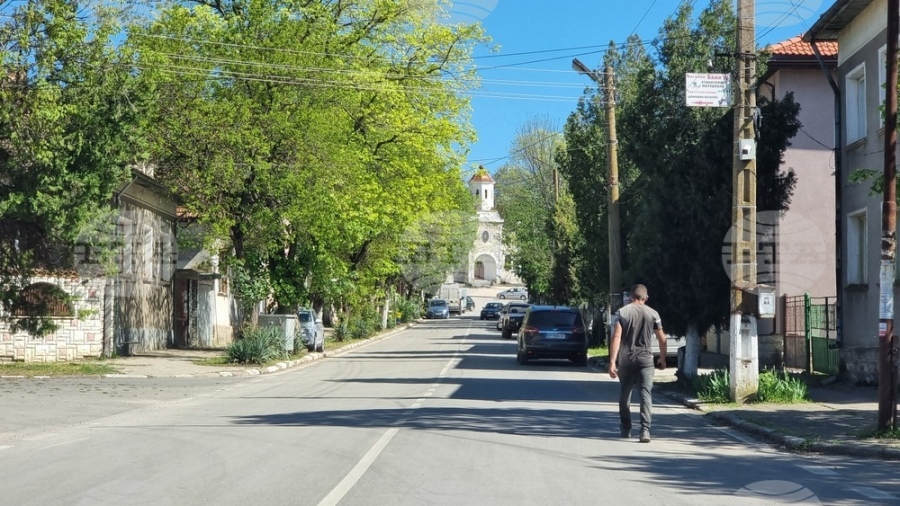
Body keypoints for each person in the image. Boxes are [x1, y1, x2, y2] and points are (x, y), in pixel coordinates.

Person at [608, 284, 667, 443]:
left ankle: (626, 427)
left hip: (626, 361)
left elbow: (616, 337)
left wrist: (612, 362)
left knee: (625, 393)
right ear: (646, 298)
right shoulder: (653, 314)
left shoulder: (622, 313)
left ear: (630, 297)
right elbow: (662, 339)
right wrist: (662, 358)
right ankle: (645, 431)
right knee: (645, 394)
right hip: (646, 362)